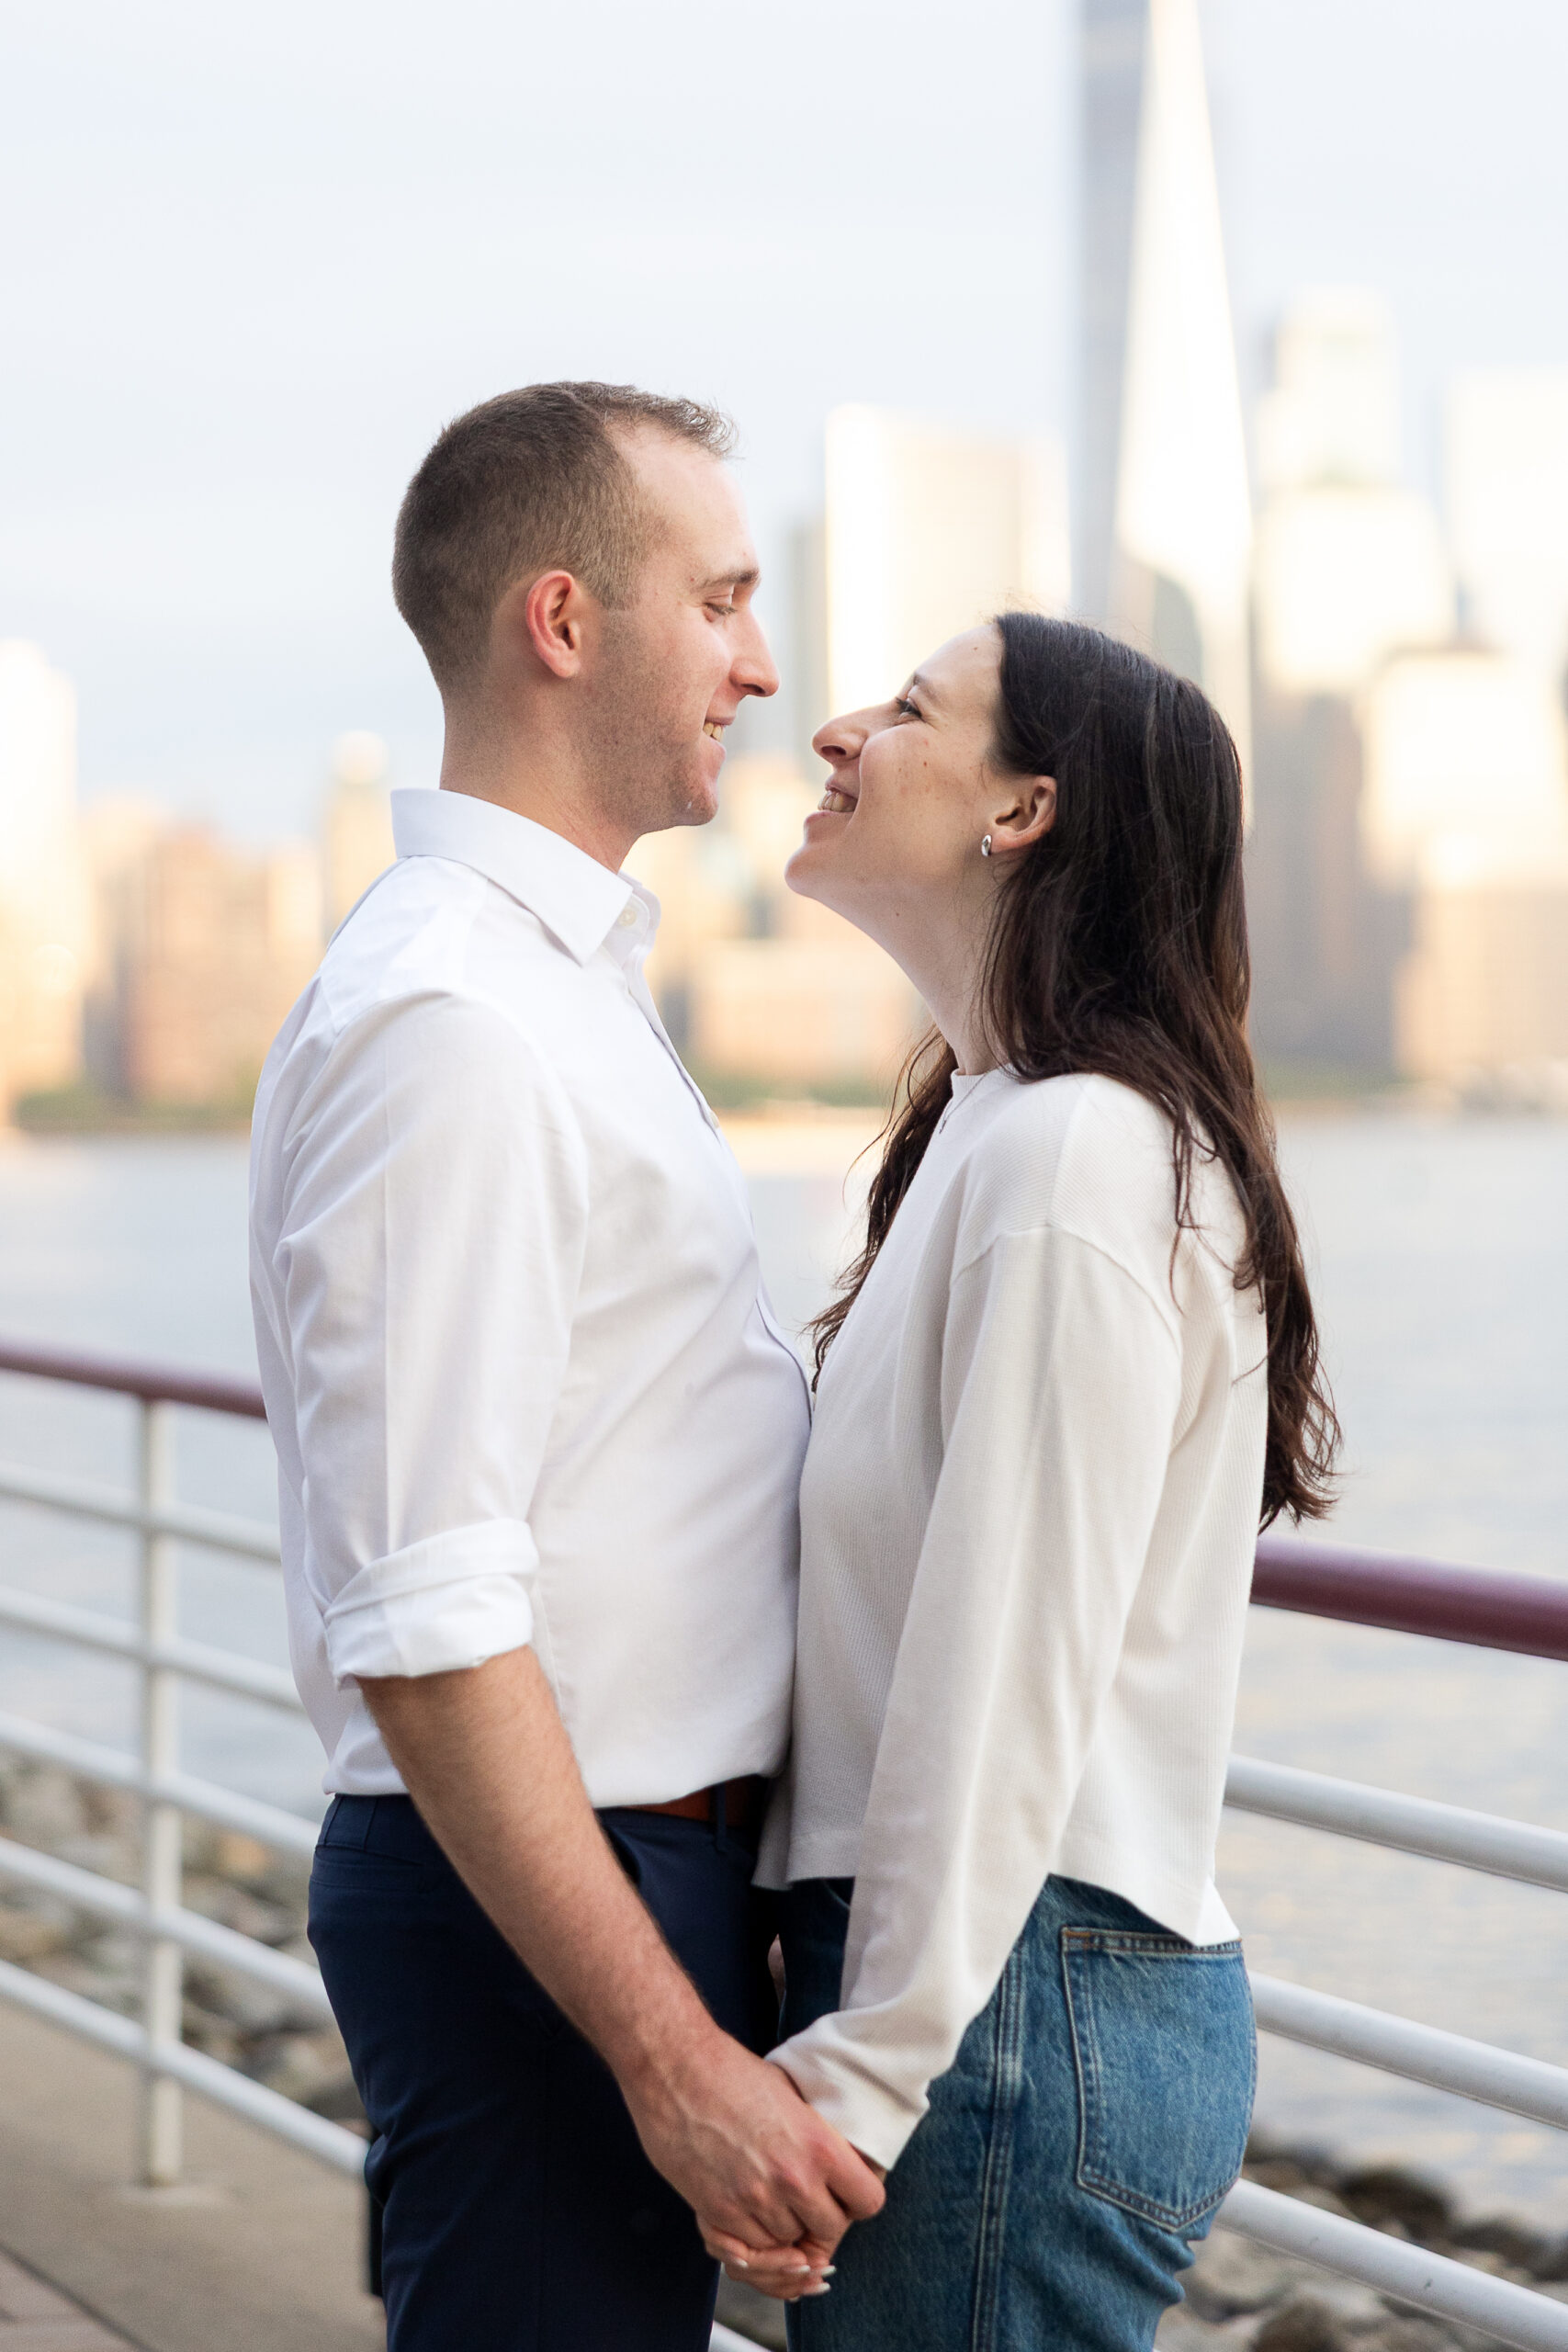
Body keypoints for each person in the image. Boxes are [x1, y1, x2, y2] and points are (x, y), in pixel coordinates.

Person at [248, 380, 881, 2352]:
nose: (759, 665)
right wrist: (669, 2051)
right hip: (555, 1901)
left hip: (621, 1879)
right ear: (560, 619)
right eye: (719, 600)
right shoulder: (452, 1020)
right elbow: (427, 1608)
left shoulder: (552, 987)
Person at [703, 614, 1337, 2347]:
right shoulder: (1003, 1125)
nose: (833, 729)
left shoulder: (1080, 1154)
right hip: (991, 1984)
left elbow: (1001, 1670)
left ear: (1024, 812)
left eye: (910, 711)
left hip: (1009, 2006)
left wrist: (866, 2074)